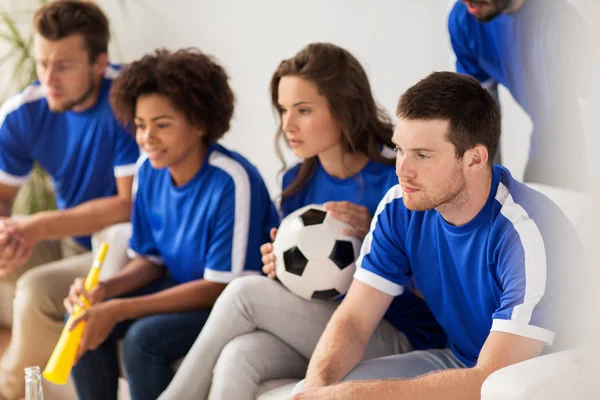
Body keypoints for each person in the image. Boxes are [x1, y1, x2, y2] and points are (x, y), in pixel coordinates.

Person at [159, 42, 446, 400]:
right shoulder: (296, 183)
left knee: (245, 293)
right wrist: (280, 266)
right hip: (329, 328)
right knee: (239, 356)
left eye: (303, 110)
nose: (287, 124)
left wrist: (376, 232)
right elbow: (312, 284)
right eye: (283, 110)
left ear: (344, 108)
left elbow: (441, 280)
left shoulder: (399, 174)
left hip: (400, 334)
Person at [290, 71, 582, 400]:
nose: (402, 169)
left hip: (531, 382)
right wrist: (316, 391)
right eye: (400, 150)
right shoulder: (399, 206)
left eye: (422, 155)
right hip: (457, 361)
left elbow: (490, 381)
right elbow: (355, 321)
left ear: (475, 158)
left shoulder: (527, 235)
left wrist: (348, 396)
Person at [66, 48, 279, 400]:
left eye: (162, 124)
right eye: (140, 125)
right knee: (83, 322)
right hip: (180, 285)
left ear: (198, 122)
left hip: (229, 304)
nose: (147, 137)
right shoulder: (149, 170)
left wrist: (119, 308)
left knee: (143, 341)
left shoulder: (233, 179)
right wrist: (105, 291)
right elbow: (150, 259)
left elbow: (219, 287)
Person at [0, 1, 140, 398]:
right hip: (69, 239)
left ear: (99, 63)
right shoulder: (24, 112)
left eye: (63, 66)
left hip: (122, 249)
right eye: (43, 63)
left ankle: (12, 392)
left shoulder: (127, 102)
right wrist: (6, 235)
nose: (48, 78)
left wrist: (37, 225)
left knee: (33, 292)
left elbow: (125, 204)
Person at [448, 0, 589, 189]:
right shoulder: (464, 19)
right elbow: (479, 116)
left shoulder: (564, 26)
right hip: (547, 143)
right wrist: (488, 188)